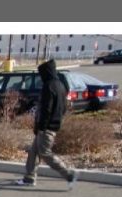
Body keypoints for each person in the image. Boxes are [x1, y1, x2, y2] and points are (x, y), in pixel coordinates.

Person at [16, 59, 78, 189]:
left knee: (45, 153)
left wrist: (41, 127)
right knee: (33, 152)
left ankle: (69, 174)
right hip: (52, 125)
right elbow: (63, 108)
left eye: (41, 74)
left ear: (46, 72)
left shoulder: (48, 86)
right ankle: (29, 178)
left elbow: (46, 109)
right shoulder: (61, 86)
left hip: (46, 128)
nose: (41, 77)